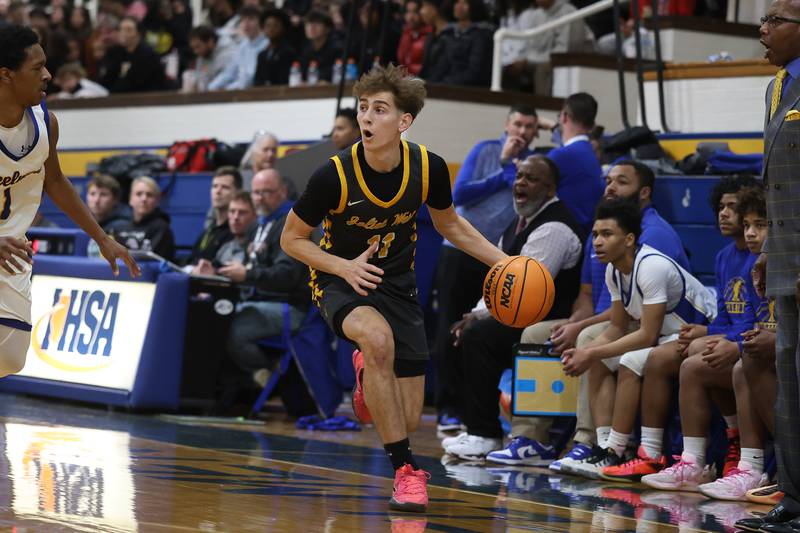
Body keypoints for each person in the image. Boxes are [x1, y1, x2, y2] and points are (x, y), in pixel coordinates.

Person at [281, 65, 508, 512]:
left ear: (404, 121)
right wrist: (343, 267)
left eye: (379, 109)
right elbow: (291, 239)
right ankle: (406, 473)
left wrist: (504, 262)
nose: (367, 117)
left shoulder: (428, 167)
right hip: (339, 278)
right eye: (363, 107)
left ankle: (367, 372)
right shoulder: (333, 175)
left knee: (407, 417)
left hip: (397, 284)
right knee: (377, 339)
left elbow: (450, 225)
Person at [487, 160, 691, 469]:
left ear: (644, 192)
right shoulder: (605, 236)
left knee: (588, 341)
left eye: (621, 182)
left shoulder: (652, 239)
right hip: (617, 319)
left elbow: (638, 318)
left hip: (670, 328)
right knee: (537, 333)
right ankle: (532, 440)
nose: (611, 187)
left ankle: (588, 441)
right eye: (608, 181)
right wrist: (574, 322)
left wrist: (585, 339)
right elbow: (587, 296)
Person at [597, 175, 756, 484]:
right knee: (663, 359)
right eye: (720, 207)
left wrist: (711, 335)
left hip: (727, 338)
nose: (724, 214)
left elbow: (756, 320)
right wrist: (708, 332)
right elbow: (726, 317)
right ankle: (651, 454)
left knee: (693, 356)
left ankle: (736, 445)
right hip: (707, 333)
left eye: (733, 207)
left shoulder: (759, 259)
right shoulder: (723, 257)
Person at [0, 23, 139, 376]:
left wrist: (102, 238)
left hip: (11, 250)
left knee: (11, 357)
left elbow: (56, 181)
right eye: (37, 68)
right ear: (6, 75)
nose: (48, 75)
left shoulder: (45, 123)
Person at [558, 198, 715, 478]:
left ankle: (617, 450)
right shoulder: (614, 271)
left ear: (629, 239)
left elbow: (647, 335)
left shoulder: (650, 266)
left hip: (698, 332)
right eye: (595, 234)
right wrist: (586, 352)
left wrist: (591, 352)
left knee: (628, 359)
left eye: (607, 234)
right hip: (667, 337)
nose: (597, 242)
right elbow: (617, 328)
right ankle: (604, 447)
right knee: (598, 358)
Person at [442, 154, 584, 460]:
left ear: (550, 189)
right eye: (519, 176)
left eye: (531, 179)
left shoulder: (554, 228)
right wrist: (475, 314)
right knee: (460, 332)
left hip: (551, 319)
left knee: (479, 337)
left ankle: (485, 434)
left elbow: (521, 288)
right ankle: (476, 427)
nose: (521, 183)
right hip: (523, 315)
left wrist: (479, 318)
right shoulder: (518, 223)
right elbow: (498, 279)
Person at [432, 103, 538, 431]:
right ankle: (447, 408)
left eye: (529, 126)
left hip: (495, 257)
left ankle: (473, 410)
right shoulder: (486, 150)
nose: (522, 131)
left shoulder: (533, 163)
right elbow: (460, 193)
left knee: (478, 331)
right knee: (449, 327)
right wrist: (503, 168)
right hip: (458, 251)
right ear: (506, 125)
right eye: (518, 124)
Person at [736, 5, 800, 529]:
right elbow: (779, 183)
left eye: (775, 19)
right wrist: (768, 248)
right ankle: (795, 500)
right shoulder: (776, 87)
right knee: (790, 385)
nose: (762, 28)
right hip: (785, 260)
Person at [690, 186, 777, 502]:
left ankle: (780, 462)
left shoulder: (784, 265)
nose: (751, 233)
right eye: (748, 225)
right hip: (772, 349)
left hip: (786, 349)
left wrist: (738, 344)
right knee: (710, 362)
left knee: (741, 362)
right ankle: (739, 463)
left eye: (760, 225)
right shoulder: (754, 266)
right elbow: (750, 322)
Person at [226, 170, 309, 386]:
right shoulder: (258, 225)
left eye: (267, 192)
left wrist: (247, 275)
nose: (259, 198)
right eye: (256, 192)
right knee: (217, 317)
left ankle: (273, 375)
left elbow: (287, 275)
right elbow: (251, 265)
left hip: (288, 307)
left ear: (283, 192)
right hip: (259, 302)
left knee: (233, 330)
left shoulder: (292, 223)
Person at [547, 92, 604, 234]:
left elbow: (528, 191)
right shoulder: (591, 153)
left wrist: (508, 164)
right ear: (592, 124)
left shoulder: (561, 155)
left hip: (563, 232)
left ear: (564, 116)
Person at [192, 190, 256, 276]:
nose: (236, 217)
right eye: (232, 211)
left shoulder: (258, 248)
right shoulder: (225, 248)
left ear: (255, 216)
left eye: (242, 213)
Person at [187, 167, 240, 265]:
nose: (218, 191)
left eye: (225, 187)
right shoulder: (209, 229)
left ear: (237, 192)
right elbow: (191, 260)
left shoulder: (237, 230)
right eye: (214, 186)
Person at [99, 16, 167, 93]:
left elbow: (133, 83)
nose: (123, 33)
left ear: (138, 33)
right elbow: (108, 77)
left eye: (128, 30)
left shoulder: (147, 54)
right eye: (121, 29)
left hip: (149, 97)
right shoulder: (117, 52)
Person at [115, 176, 175, 260]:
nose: (144, 199)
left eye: (149, 195)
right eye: (139, 194)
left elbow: (152, 260)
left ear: (157, 201)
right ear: (130, 199)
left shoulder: (162, 228)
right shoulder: (121, 227)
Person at [208, 6, 268, 91]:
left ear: (261, 22)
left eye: (251, 19)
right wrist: (210, 87)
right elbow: (229, 73)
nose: (246, 24)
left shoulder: (267, 44)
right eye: (243, 20)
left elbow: (250, 78)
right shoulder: (243, 45)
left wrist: (227, 89)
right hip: (240, 91)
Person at [253, 9, 298, 87]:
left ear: (283, 28)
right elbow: (257, 81)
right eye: (268, 26)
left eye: (275, 25)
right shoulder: (262, 55)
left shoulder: (288, 53)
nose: (271, 29)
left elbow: (284, 81)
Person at [185, 25, 236, 92]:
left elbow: (226, 82)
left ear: (210, 42)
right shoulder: (204, 55)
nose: (195, 52)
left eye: (198, 47)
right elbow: (199, 81)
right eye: (193, 48)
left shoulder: (228, 54)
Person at [299, 10, 342, 83]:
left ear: (328, 29)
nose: (311, 27)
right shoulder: (307, 50)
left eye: (317, 23)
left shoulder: (337, 49)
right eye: (308, 24)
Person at [396, 0, 431, 76]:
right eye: (408, 12)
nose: (410, 17)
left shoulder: (430, 35)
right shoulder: (406, 34)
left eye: (415, 12)